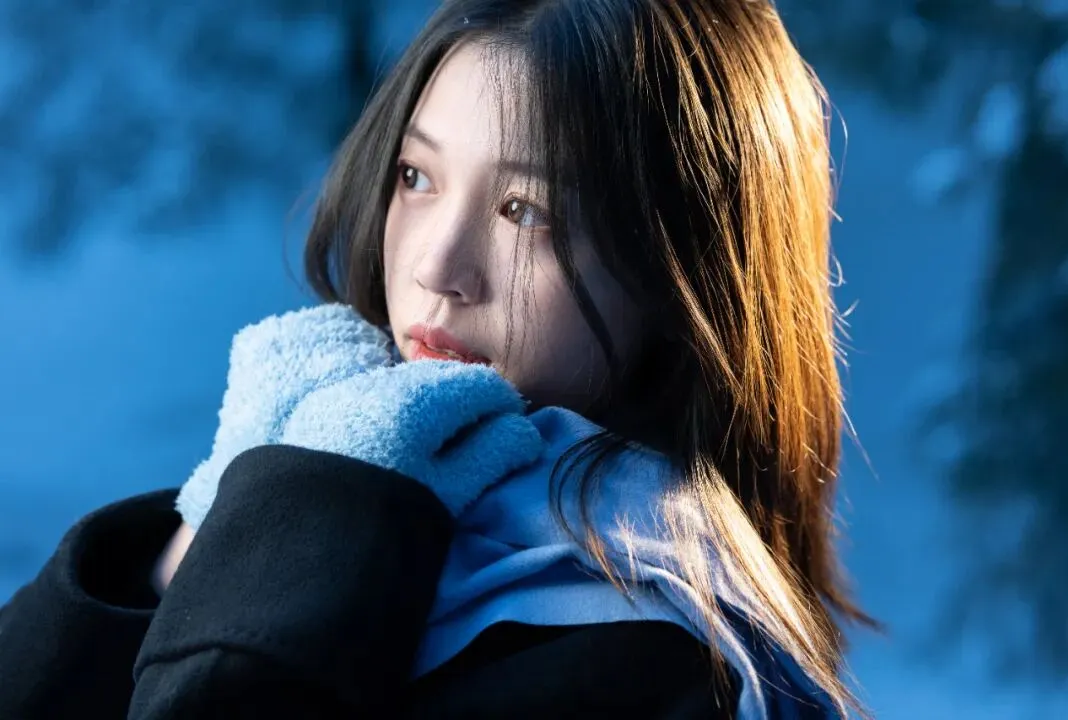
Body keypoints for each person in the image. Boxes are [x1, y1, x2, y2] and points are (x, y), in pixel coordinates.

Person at [0, 0, 877, 717]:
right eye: (416, 177)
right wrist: (192, 549)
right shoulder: (337, 470)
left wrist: (297, 526)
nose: (435, 267)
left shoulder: (655, 661)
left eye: (526, 211)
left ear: (683, 275)